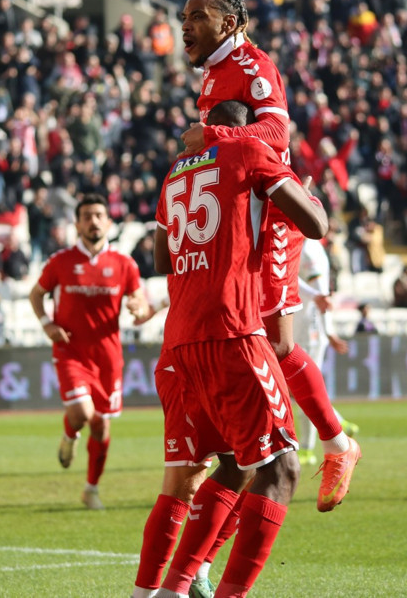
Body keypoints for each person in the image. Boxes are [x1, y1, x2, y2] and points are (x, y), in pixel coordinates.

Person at [178, 0, 360, 510]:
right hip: (242, 211)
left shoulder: (253, 64)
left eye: (198, 16)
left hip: (275, 209)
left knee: (276, 344)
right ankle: (258, 454)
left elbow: (277, 134)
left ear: (229, 23)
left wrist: (215, 138)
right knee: (248, 335)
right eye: (184, 16)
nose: (186, 25)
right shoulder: (213, 71)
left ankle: (337, 445)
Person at [138, 99, 329, 598]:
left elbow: (161, 259)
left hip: (181, 341)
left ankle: (168, 589)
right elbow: (316, 225)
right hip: (232, 330)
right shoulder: (248, 151)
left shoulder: (176, 171)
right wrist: (303, 196)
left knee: (229, 465)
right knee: (282, 466)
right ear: (248, 130)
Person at [29, 193, 149, 510]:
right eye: (86, 216)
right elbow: (36, 294)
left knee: (101, 425)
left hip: (108, 357)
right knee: (83, 413)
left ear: (108, 222)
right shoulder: (60, 261)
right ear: (77, 224)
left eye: (98, 215)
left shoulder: (124, 264)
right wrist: (46, 324)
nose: (93, 221)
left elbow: (138, 299)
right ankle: (70, 436)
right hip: (70, 351)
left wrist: (137, 305)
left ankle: (90, 489)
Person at [293, 237, 359, 466]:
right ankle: (337, 422)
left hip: (309, 330)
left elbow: (321, 293)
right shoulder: (308, 247)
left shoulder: (308, 250)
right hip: (301, 328)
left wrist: (329, 330)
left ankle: (307, 449)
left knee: (302, 390)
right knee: (299, 390)